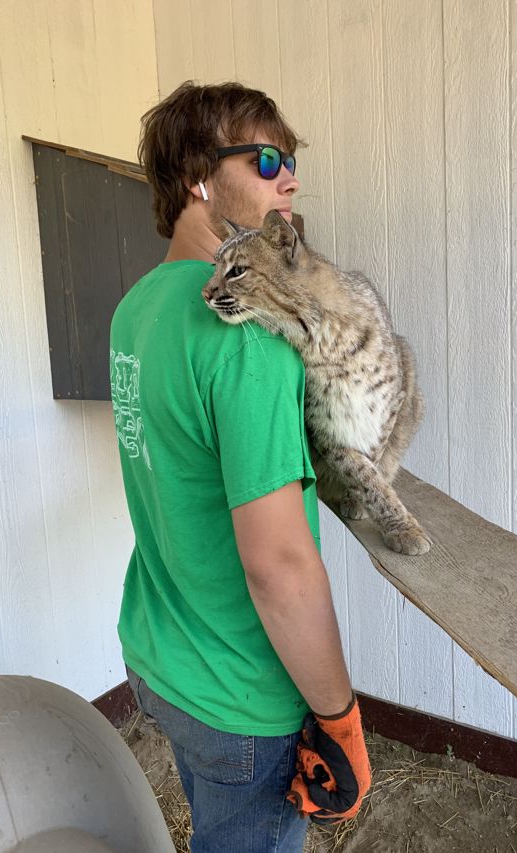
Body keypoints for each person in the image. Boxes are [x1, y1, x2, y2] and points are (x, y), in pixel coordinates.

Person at [109, 81, 370, 853]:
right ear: (198, 177)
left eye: (289, 161)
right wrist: (340, 720)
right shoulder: (246, 336)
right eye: (265, 161)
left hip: (159, 654)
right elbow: (279, 565)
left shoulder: (136, 307)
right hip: (240, 699)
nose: (289, 179)